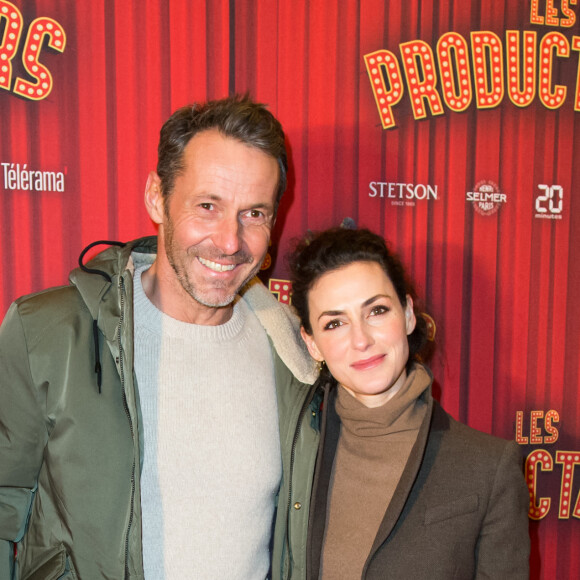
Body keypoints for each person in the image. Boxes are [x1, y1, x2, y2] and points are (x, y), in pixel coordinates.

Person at [0, 95, 318, 579]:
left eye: (253, 213)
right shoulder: (47, 333)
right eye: (207, 206)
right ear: (156, 197)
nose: (230, 241)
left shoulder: (295, 355)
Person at [273, 227, 530, 579]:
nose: (361, 339)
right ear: (312, 343)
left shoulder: (488, 467)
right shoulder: (292, 453)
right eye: (335, 323)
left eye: (376, 310)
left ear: (408, 314)